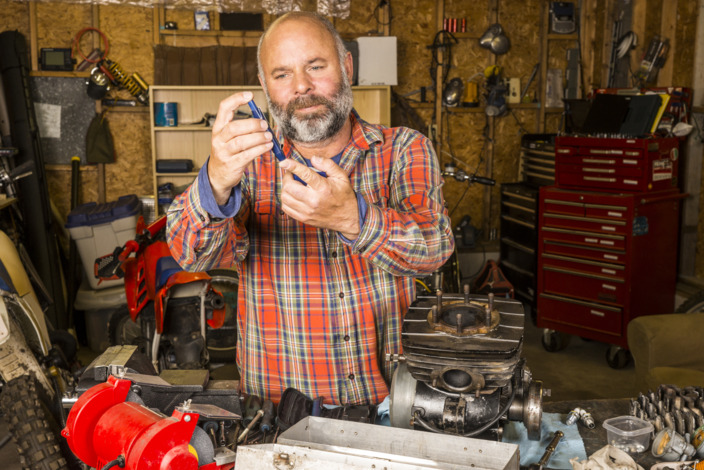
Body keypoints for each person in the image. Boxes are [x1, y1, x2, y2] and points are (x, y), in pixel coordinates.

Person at [166, 11, 454, 406]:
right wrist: (215, 180)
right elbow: (190, 252)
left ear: (347, 67)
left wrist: (352, 218)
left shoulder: (404, 148)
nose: (302, 86)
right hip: (281, 411)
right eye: (282, 75)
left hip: (392, 406)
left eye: (316, 66)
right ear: (265, 85)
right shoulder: (248, 165)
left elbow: (434, 249)